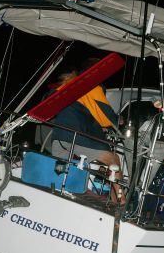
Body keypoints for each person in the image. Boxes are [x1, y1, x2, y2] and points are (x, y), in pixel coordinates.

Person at [48, 60, 124, 203]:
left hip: (58, 140)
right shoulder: (92, 86)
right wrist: (119, 120)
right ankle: (120, 202)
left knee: (102, 165)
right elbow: (108, 119)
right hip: (75, 140)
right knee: (113, 159)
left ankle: (99, 196)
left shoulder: (68, 85)